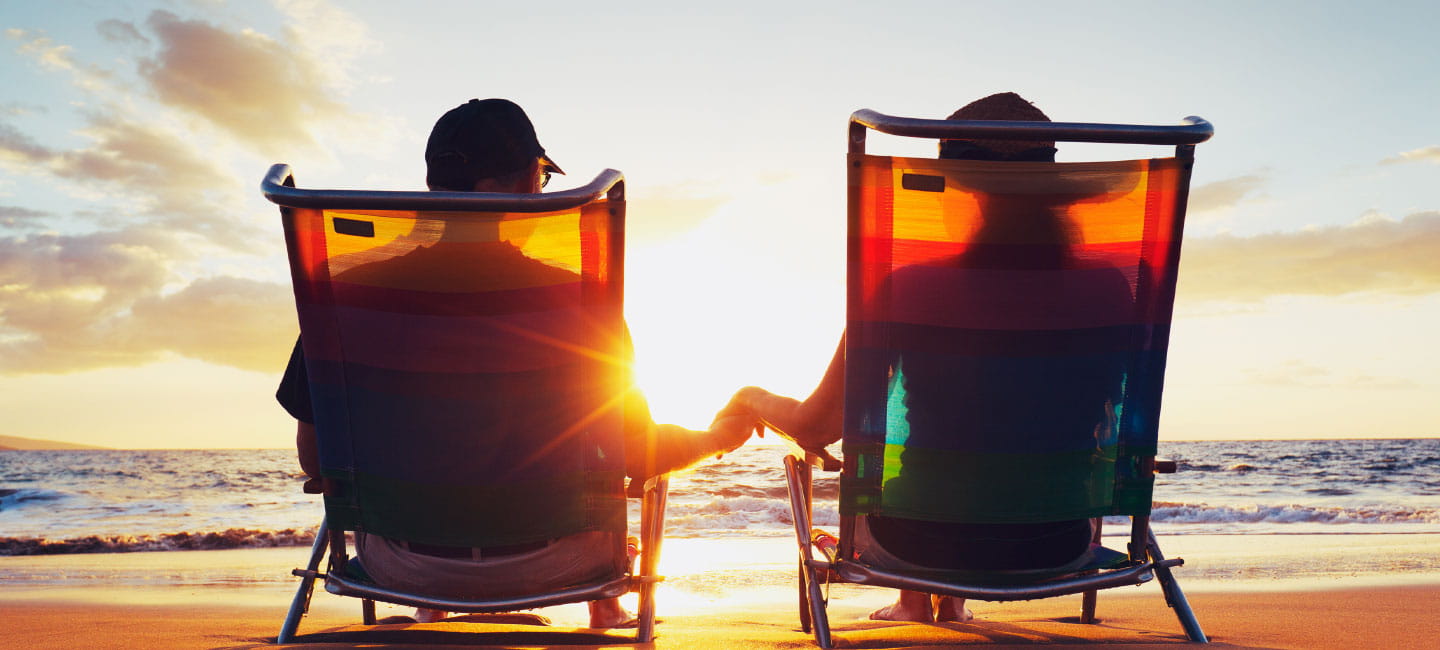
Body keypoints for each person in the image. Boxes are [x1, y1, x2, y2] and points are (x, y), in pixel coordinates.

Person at [278, 98, 758, 627]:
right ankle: (608, 608)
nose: (543, 192)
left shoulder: (348, 301)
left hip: (396, 565)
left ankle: (433, 605)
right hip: (562, 564)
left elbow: (315, 458)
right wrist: (718, 436)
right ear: (504, 192)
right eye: (541, 178)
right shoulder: (580, 300)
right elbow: (638, 453)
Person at [726, 92, 1127, 623]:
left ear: (960, 193)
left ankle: (917, 595)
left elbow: (816, 427)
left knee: (930, 483)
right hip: (1056, 543)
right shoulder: (1110, 291)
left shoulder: (909, 288)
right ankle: (943, 601)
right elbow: (1046, 408)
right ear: (1054, 194)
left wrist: (751, 398)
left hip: (914, 544)